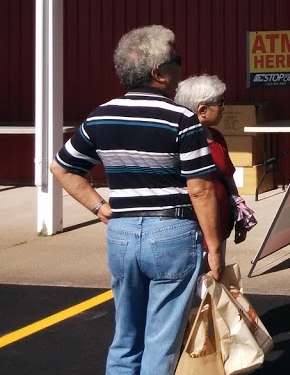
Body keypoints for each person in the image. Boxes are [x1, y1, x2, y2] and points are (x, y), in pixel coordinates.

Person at [50, 25, 223, 375]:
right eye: (177, 60)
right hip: (172, 232)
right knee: (162, 340)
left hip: (123, 233)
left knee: (126, 335)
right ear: (158, 73)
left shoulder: (100, 116)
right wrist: (215, 247)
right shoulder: (181, 118)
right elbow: (200, 189)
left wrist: (100, 207)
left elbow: (62, 167)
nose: (180, 69)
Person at [175, 75, 257, 256]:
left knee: (214, 282)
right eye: (220, 103)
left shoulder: (217, 137)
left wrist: (239, 213)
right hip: (192, 234)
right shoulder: (177, 142)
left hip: (219, 228)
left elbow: (228, 178)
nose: (223, 108)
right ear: (202, 110)